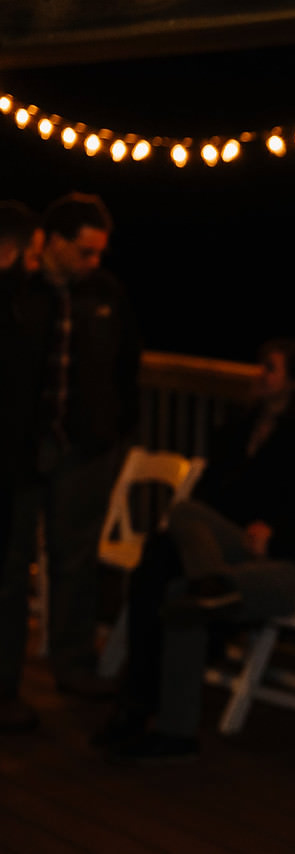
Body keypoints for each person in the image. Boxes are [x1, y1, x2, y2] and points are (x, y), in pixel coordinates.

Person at [106, 337, 295, 762]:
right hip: (224, 544)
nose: (260, 376)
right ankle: (209, 583)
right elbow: (207, 497)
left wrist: (273, 536)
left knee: (168, 578)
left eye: (270, 369)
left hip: (275, 557)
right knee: (181, 520)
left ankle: (146, 710)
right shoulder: (241, 426)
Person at [0, 192, 140, 710]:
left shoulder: (105, 293)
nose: (93, 262)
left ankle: (74, 665)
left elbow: (127, 368)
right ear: (52, 243)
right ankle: (6, 684)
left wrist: (115, 432)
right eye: (84, 251)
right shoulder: (18, 292)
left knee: (75, 561)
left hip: (83, 452)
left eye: (99, 252)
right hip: (18, 453)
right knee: (10, 567)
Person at [0, 200, 47, 731]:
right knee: (10, 582)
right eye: (30, 254)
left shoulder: (24, 303)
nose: (33, 264)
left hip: (15, 468)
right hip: (9, 470)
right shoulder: (16, 307)